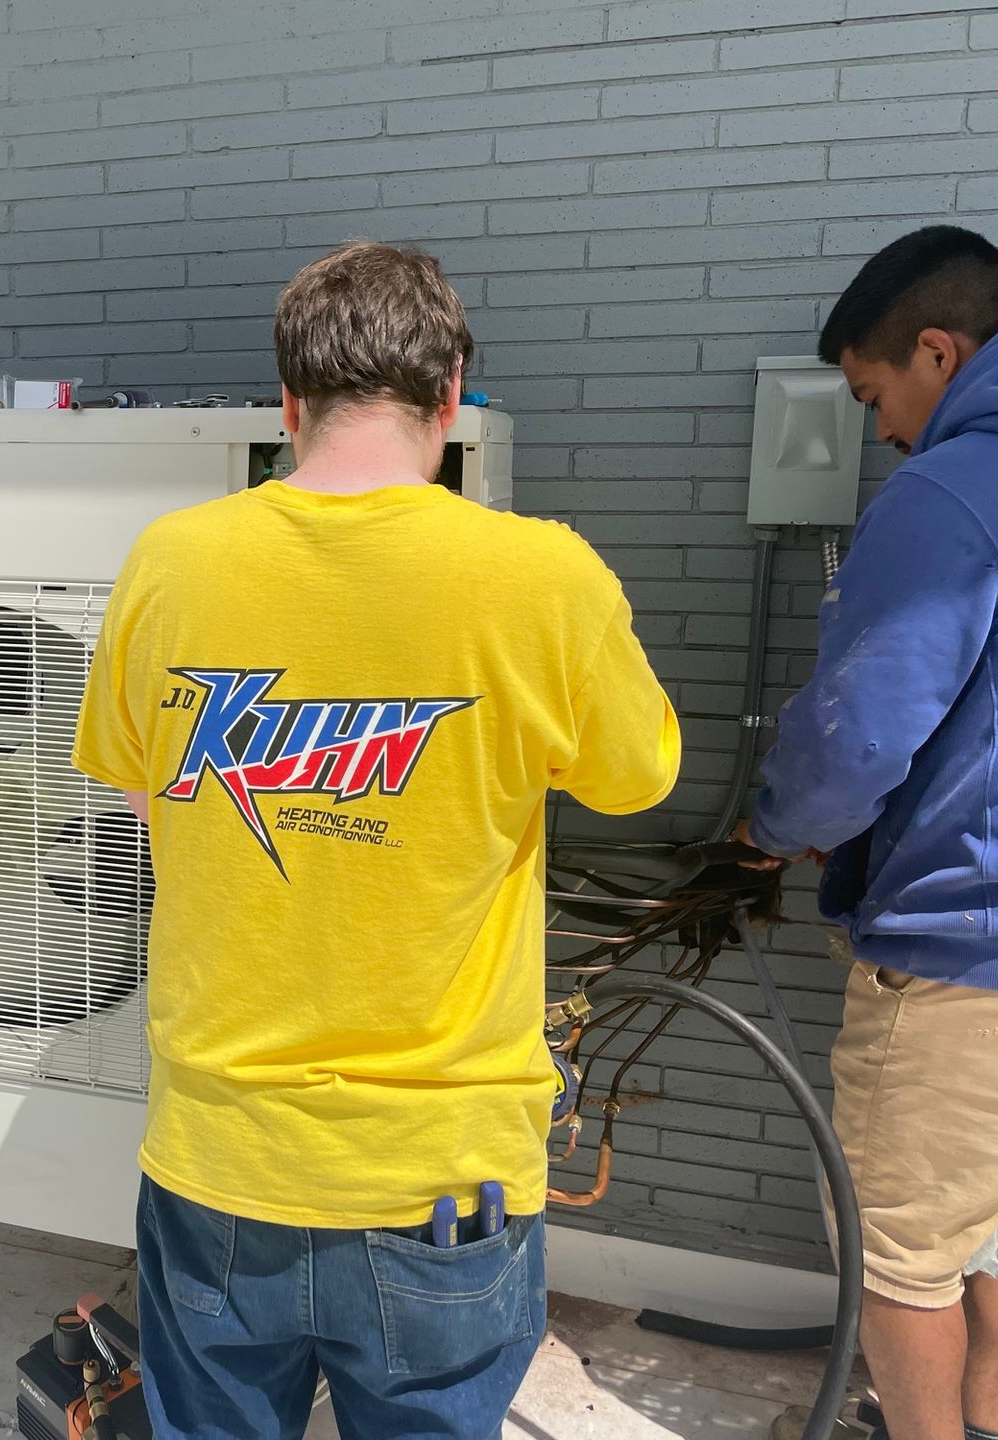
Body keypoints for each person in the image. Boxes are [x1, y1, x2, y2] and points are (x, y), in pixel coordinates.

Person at [72, 241, 681, 1438]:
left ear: (288, 403)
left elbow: (140, 792)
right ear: (450, 397)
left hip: (220, 1162)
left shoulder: (171, 561)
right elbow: (637, 778)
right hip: (443, 1174)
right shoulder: (541, 577)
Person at [738, 227, 998, 1440]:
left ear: (937, 351)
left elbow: (853, 739)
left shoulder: (952, 495)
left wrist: (776, 825)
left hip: (970, 953)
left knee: (900, 1255)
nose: (883, 430)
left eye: (874, 395)